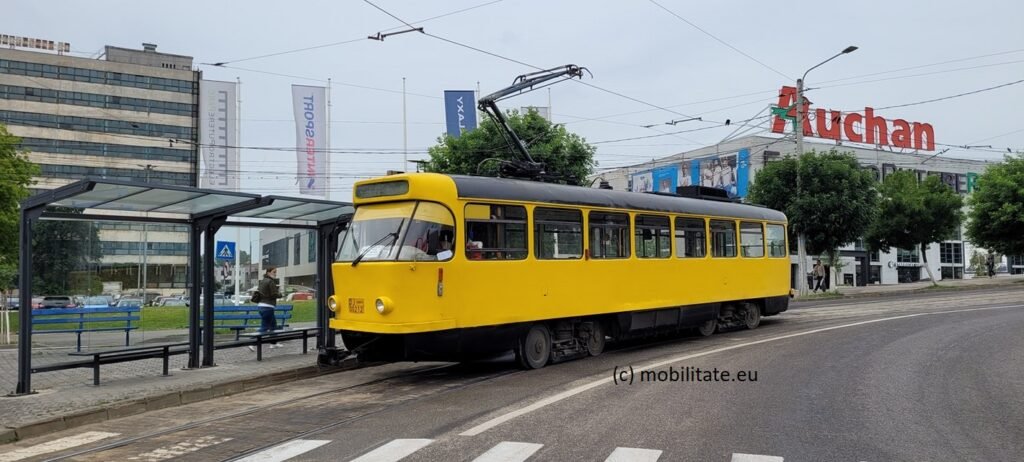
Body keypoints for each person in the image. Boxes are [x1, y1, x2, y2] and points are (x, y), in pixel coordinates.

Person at [250, 266, 283, 351]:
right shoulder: (270, 282)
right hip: (268, 306)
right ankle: (252, 342)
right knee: (264, 327)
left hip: (261, 306)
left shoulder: (263, 281)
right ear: (268, 273)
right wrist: (280, 294)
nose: (275, 274)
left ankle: (273, 343)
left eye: (276, 272)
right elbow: (274, 294)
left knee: (273, 325)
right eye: (274, 272)